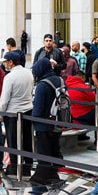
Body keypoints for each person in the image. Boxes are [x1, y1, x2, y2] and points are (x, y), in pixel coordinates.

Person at [0, 50, 34, 175]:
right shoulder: (29, 73)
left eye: (6, 62)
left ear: (11, 62)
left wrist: (1, 114)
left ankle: (14, 167)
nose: (4, 65)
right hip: (28, 110)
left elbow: (4, 99)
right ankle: (28, 164)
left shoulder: (9, 77)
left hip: (13, 113)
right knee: (27, 138)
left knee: (13, 141)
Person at [30, 57, 64, 185]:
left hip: (43, 125)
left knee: (43, 151)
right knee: (54, 147)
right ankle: (53, 174)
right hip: (57, 121)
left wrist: (32, 119)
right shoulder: (59, 80)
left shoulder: (42, 85)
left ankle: (43, 177)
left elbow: (38, 110)